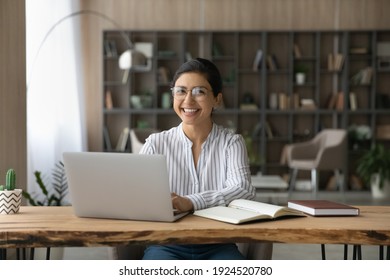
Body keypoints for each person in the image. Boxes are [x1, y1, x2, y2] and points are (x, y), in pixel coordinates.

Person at [139, 58, 255, 260]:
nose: (188, 101)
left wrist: (190, 202)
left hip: (219, 245)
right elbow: (136, 195)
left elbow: (242, 190)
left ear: (217, 99)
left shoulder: (232, 143)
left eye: (199, 92)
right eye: (181, 91)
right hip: (165, 245)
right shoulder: (155, 144)